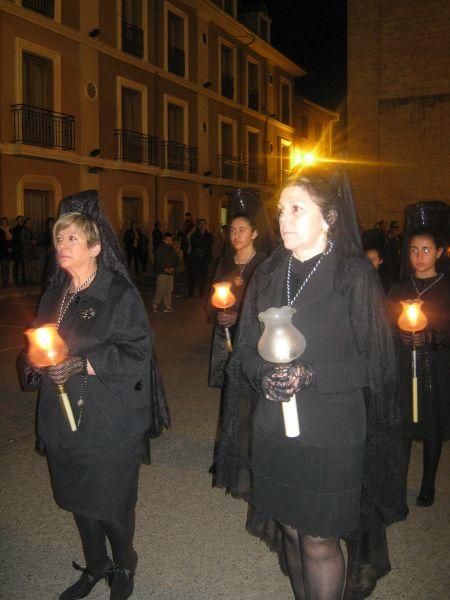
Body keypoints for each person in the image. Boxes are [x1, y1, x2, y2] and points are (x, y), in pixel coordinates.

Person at [216, 166, 407, 599]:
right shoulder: (267, 273)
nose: (283, 220)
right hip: (272, 425)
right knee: (288, 528)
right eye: (281, 210)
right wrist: (263, 373)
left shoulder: (353, 276)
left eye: (297, 209)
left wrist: (313, 373)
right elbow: (244, 352)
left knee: (319, 538)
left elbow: (377, 365)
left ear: (329, 218)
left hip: (331, 428)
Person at [23, 190, 169, 600]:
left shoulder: (120, 295)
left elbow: (139, 354)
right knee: (78, 499)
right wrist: (36, 360)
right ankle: (95, 563)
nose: (61, 247)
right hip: (61, 418)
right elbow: (38, 342)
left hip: (109, 419)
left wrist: (85, 363)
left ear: (95, 247)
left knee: (110, 503)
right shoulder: (56, 294)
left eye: (71, 239)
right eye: (58, 239)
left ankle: (124, 562)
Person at [388, 223, 449, 508]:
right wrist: (398, 334)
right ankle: (397, 484)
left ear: (438, 252)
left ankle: (428, 485)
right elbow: (385, 321)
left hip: (435, 367)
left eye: (426, 250)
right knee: (402, 424)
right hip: (404, 364)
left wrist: (432, 336)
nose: (420, 256)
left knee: (431, 425)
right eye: (414, 250)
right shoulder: (400, 287)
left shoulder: (446, 287)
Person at [152, 232, 178, 312]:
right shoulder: (160, 248)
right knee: (161, 288)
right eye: (167, 240)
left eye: (170, 240)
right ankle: (155, 304)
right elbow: (159, 260)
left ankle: (167, 304)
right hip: (162, 272)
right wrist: (164, 268)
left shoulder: (172, 249)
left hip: (170, 272)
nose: (169, 242)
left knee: (169, 288)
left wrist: (173, 268)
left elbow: (176, 259)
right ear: (164, 240)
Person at [188, 219, 213, 297]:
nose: (202, 226)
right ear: (199, 225)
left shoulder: (209, 235)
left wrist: (204, 251)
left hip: (205, 258)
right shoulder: (194, 235)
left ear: (206, 225)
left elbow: (209, 245)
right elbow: (194, 244)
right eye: (201, 224)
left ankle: (201, 293)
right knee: (193, 275)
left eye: (204, 224)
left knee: (203, 276)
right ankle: (190, 293)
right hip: (195, 258)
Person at [20, 217, 39, 284]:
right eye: (28, 222)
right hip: (27, 250)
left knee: (34, 266)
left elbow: (37, 239)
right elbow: (22, 240)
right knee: (27, 266)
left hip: (34, 250)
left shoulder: (34, 231)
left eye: (30, 222)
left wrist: (35, 241)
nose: (29, 224)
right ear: (25, 224)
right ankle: (27, 280)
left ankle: (33, 280)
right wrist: (31, 242)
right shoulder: (23, 231)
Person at [11, 215, 24, 284]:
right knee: (17, 264)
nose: (21, 221)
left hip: (24, 249)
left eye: (22, 220)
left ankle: (23, 278)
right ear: (17, 221)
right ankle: (16, 279)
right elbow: (14, 240)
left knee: (24, 265)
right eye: (19, 220)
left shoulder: (24, 228)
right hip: (17, 249)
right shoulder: (15, 229)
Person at [0, 217, 13, 287]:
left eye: (5, 222)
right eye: (3, 222)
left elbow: (11, 240)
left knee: (8, 267)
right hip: (2, 250)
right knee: (3, 267)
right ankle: (4, 282)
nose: (4, 223)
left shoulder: (9, 230)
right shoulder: (1, 230)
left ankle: (7, 281)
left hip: (9, 251)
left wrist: (10, 248)